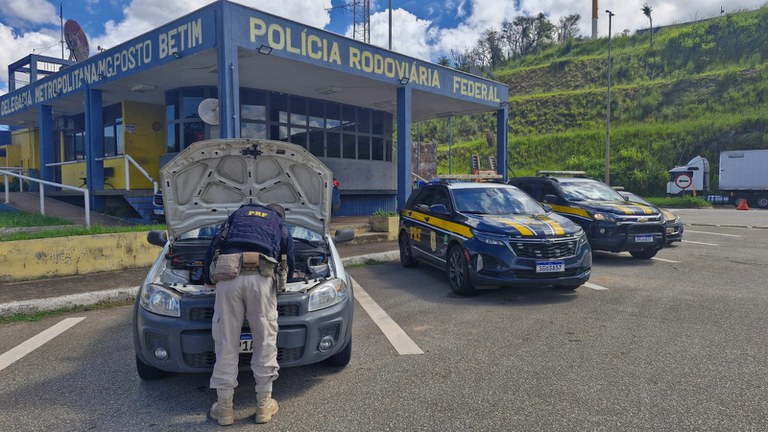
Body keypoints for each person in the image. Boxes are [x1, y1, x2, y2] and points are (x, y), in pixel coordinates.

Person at [202, 202, 295, 425]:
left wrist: (207, 278)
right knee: (264, 340)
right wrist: (286, 282)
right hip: (261, 279)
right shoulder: (278, 223)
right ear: (278, 213)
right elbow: (288, 257)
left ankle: (224, 409)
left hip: (228, 277)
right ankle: (264, 406)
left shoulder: (237, 215)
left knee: (226, 342)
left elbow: (215, 243)